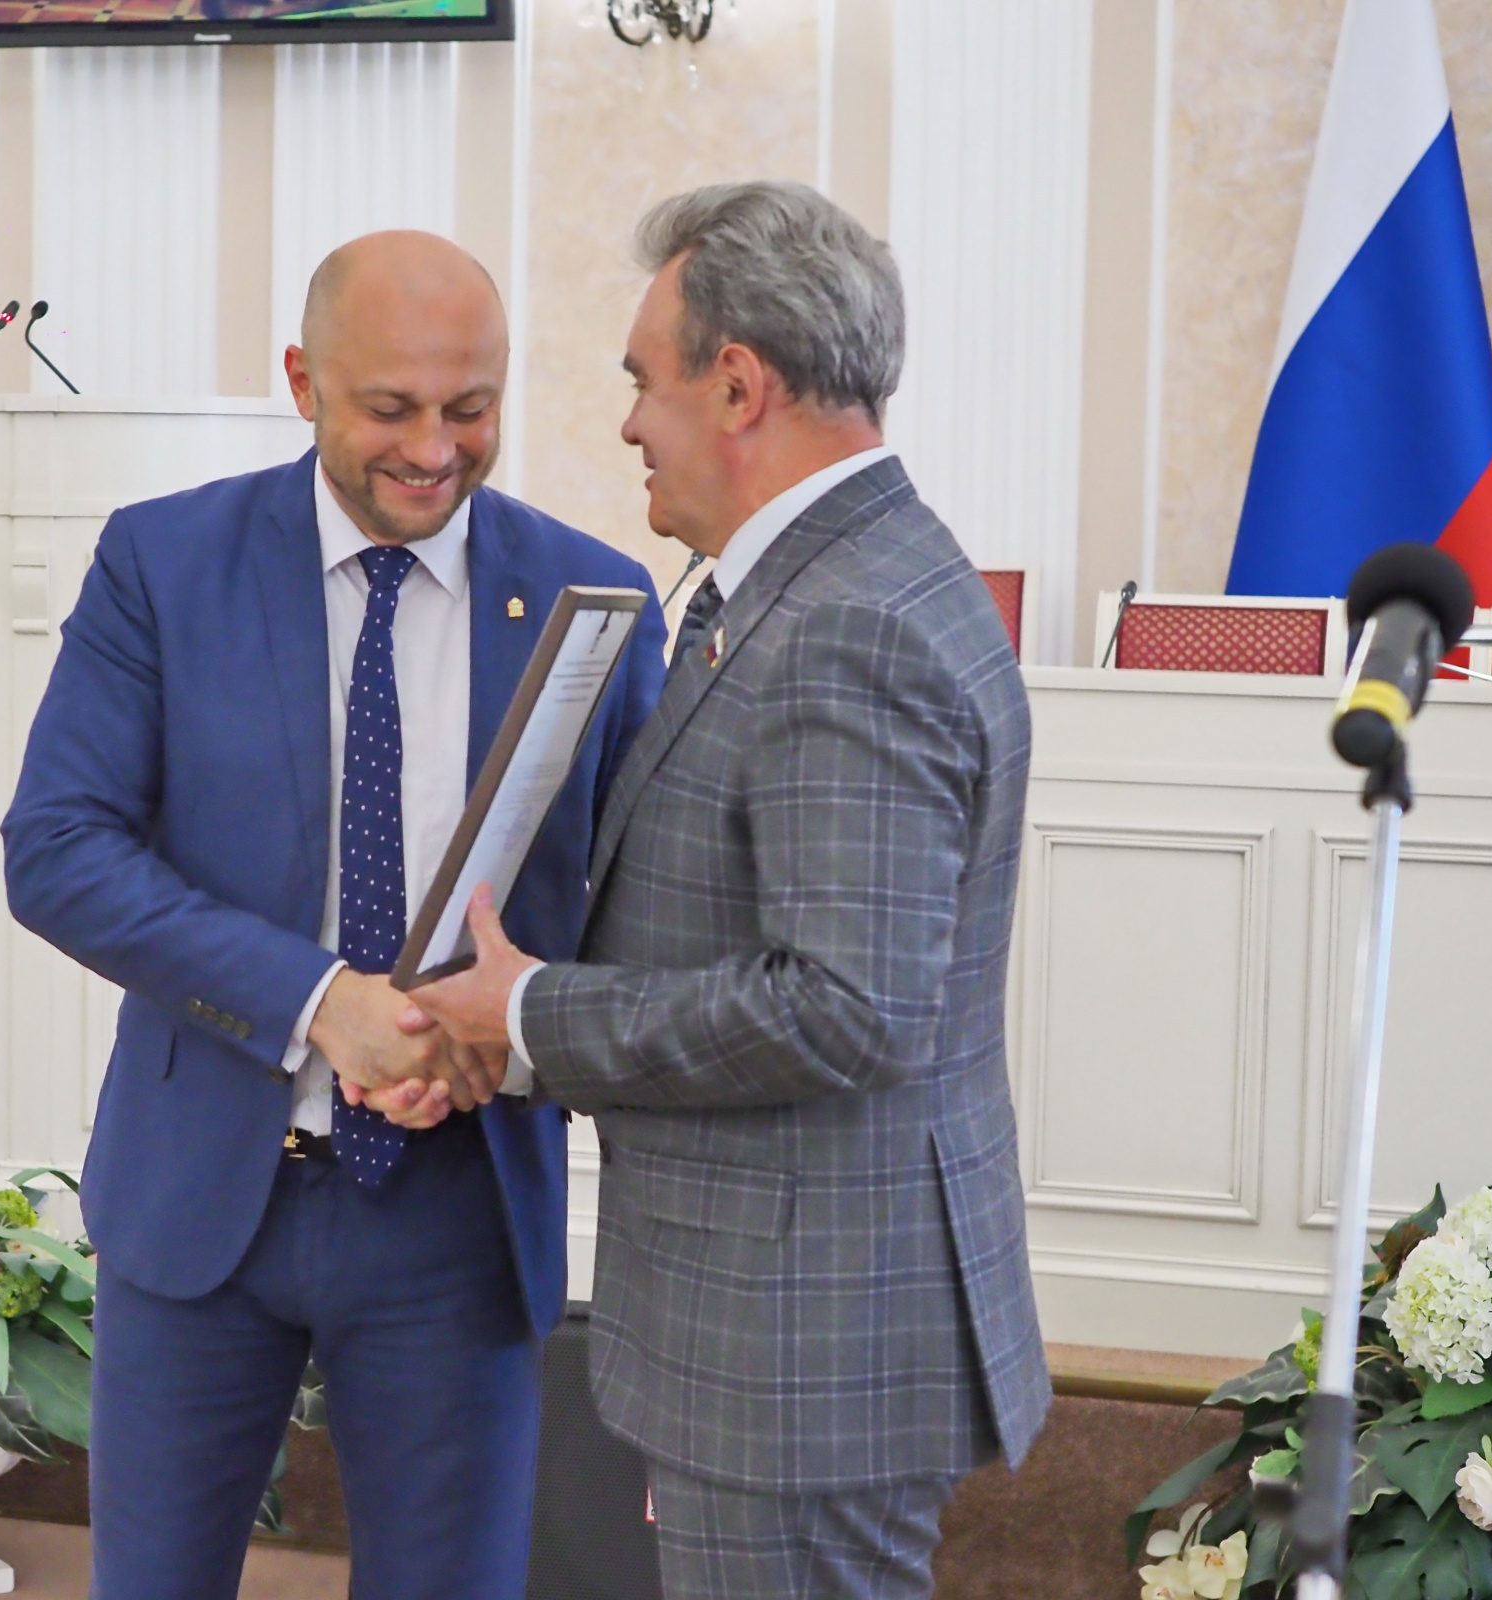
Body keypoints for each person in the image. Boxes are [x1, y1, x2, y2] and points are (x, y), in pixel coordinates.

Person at [392, 182, 1051, 1600]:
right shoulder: (825, 580)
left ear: (738, 384)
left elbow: (843, 1008)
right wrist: (512, 1027)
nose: (629, 423)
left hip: (801, 1347)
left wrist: (534, 1016)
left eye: (644, 381)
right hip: (783, 1321)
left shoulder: (847, 625)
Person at [0, 230, 667, 1600]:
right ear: (302, 381)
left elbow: (640, 927)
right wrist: (320, 1006)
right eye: (390, 408)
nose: (433, 449)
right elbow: (56, 850)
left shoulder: (593, 602)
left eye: (469, 407)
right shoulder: (162, 562)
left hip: (459, 1217)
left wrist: (507, 1036)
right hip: (198, 1199)